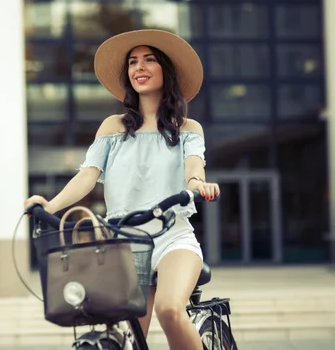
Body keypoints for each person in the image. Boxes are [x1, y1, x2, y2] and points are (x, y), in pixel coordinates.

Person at [24, 29, 221, 350]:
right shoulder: (113, 127)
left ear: (166, 71)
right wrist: (50, 203)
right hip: (124, 245)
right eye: (132, 62)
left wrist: (198, 185)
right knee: (131, 336)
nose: (138, 68)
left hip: (174, 239)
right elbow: (87, 176)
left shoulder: (187, 129)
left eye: (149, 60)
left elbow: (193, 167)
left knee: (169, 309)